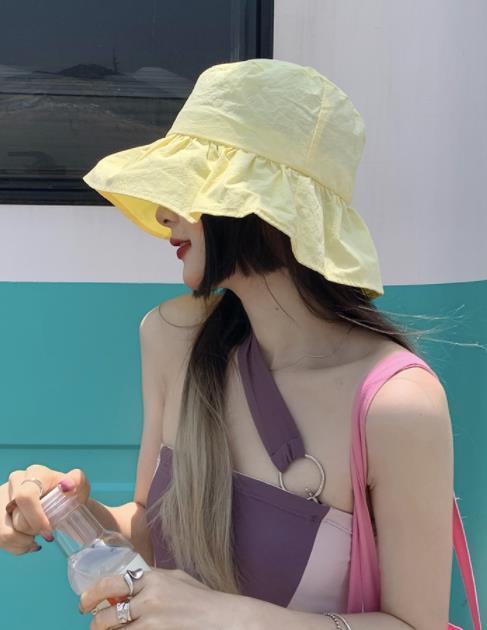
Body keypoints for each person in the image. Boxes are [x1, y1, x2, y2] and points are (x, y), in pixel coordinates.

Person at [0, 59, 454, 630]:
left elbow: (416, 624)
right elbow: (150, 531)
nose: (163, 211)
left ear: (261, 207)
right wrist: (66, 508)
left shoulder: (396, 404)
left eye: (192, 187)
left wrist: (225, 615)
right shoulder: (171, 338)